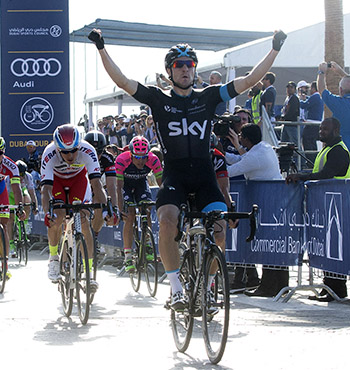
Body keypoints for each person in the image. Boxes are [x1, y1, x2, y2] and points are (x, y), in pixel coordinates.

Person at [89, 27, 287, 309]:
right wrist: (101, 48)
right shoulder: (159, 98)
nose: (185, 69)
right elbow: (122, 81)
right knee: (168, 219)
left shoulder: (207, 97)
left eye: (189, 65)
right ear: (170, 71)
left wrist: (275, 48)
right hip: (175, 175)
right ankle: (177, 289)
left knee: (218, 229)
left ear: (195, 70)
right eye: (178, 65)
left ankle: (207, 287)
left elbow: (249, 80)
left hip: (204, 175)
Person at [286, 117, 350, 301]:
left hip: (336, 206)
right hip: (324, 205)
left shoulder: (338, 151)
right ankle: (327, 286)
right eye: (321, 128)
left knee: (334, 249)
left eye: (325, 129)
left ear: (336, 130)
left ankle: (337, 289)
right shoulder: (328, 149)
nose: (321, 132)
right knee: (326, 250)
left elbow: (325, 175)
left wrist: (301, 176)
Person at [41, 124, 109, 290]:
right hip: (56, 182)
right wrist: (48, 212)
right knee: (56, 218)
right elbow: (45, 190)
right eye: (64, 152)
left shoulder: (88, 150)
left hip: (78, 180)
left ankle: (88, 273)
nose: (70, 155)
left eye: (73, 150)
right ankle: (54, 259)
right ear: (57, 149)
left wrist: (106, 209)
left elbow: (96, 184)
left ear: (79, 145)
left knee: (84, 222)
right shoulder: (49, 154)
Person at [228, 123, 288, 296]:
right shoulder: (264, 148)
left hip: (267, 202)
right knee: (274, 244)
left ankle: (268, 287)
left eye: (240, 136)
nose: (239, 138)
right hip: (274, 200)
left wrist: (213, 166)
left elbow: (233, 170)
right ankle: (280, 285)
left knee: (268, 243)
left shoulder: (255, 156)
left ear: (246, 139)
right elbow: (242, 159)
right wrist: (220, 153)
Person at [115, 136, 163, 272]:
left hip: (142, 183)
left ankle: (147, 242)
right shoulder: (121, 160)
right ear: (131, 154)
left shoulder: (154, 159)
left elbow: (161, 184)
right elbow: (118, 187)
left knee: (146, 208)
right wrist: (120, 208)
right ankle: (128, 255)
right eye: (137, 157)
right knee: (129, 215)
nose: (141, 161)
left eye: (144, 157)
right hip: (126, 185)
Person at [317, 61, 350, 178]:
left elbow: (321, 89)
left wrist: (321, 72)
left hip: (341, 152)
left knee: (340, 185)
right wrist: (340, 71)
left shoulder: (338, 103)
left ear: (340, 90)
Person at [84, 130, 119, 235]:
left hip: (96, 185)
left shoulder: (107, 158)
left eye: (99, 152)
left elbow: (112, 186)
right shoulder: (79, 155)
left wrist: (114, 208)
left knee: (100, 206)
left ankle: (94, 236)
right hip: (82, 184)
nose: (96, 155)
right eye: (93, 152)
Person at [0, 137, 26, 268]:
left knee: (4, 224)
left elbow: (16, 189)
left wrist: (19, 208)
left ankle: (5, 264)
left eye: (0, 154)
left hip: (1, 189)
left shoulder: (10, 165)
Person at [6, 160, 38, 258]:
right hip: (10, 194)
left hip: (21, 191)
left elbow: (32, 192)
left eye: (22, 175)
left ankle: (25, 222)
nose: (20, 177)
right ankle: (11, 245)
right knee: (10, 220)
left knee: (26, 197)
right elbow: (6, 195)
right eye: (18, 175)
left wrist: (35, 206)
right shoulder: (8, 178)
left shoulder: (28, 176)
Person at [300, 81, 324, 167]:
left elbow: (305, 105)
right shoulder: (319, 97)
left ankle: (310, 161)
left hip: (312, 123)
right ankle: (313, 161)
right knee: (312, 143)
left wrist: (300, 100)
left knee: (307, 140)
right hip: (316, 123)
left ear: (314, 88)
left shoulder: (315, 96)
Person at [281, 81, 300, 145]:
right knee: (284, 142)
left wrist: (284, 117)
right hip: (286, 123)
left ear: (295, 89)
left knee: (294, 143)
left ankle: (298, 155)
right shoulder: (287, 98)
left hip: (291, 124)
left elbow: (292, 111)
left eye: (291, 87)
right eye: (288, 87)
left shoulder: (294, 99)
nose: (289, 89)